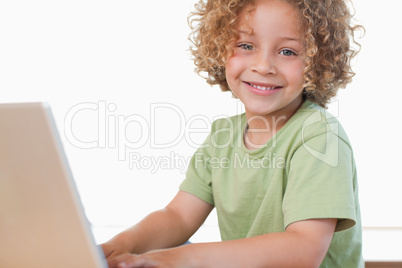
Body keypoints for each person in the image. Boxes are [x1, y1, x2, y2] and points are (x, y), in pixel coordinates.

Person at [102, 0, 364, 267]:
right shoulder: (222, 137)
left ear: (317, 61)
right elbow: (178, 216)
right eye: (246, 46)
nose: (263, 66)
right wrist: (118, 246)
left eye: (287, 51)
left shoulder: (318, 136)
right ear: (219, 48)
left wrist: (184, 258)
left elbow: (303, 249)